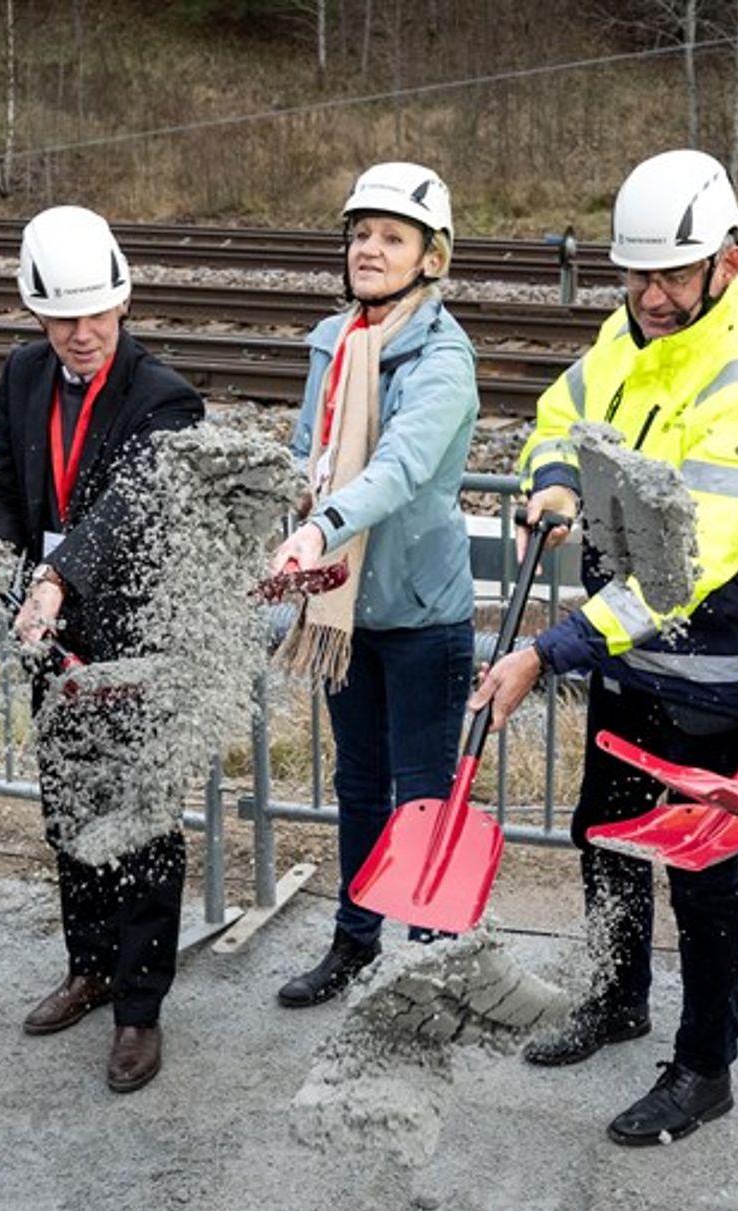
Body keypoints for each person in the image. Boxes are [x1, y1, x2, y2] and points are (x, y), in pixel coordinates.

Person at [467, 150, 738, 1146]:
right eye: (635, 274)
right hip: (626, 660)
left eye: (670, 274)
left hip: (711, 675)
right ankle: (617, 996)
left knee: (700, 873)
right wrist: (550, 479)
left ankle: (705, 1066)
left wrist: (548, 649)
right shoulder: (624, 339)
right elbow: (554, 415)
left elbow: (680, 566)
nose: (650, 295)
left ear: (728, 264)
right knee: (605, 834)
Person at [0, 205, 205, 1094]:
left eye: (95, 314)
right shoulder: (24, 373)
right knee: (70, 811)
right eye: (61, 317)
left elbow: (129, 512)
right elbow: (0, 488)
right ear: (36, 314)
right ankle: (92, 964)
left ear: (124, 300)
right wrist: (9, 572)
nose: (79, 334)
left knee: (143, 823)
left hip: (134, 642)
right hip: (51, 635)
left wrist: (59, 575)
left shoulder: (164, 398)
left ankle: (140, 1009)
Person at [264, 162, 479, 1007]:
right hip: (342, 611)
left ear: (433, 257)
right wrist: (276, 505)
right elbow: (305, 450)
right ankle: (354, 943)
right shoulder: (335, 341)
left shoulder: (444, 357)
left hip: (422, 613)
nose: (370, 249)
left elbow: (398, 468)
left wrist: (320, 527)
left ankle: (427, 969)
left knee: (421, 799)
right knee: (358, 784)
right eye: (361, 234)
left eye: (393, 236)